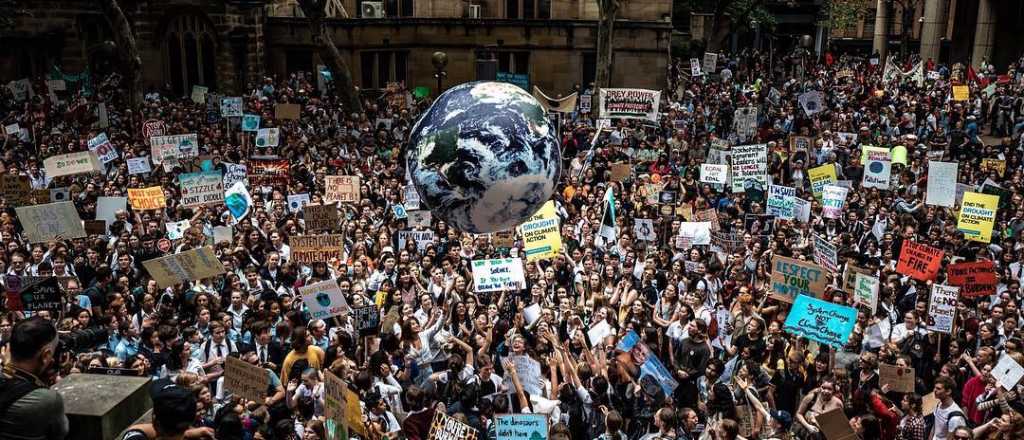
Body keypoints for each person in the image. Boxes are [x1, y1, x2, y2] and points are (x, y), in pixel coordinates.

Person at [0, 317, 68, 440]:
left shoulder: (5, 375)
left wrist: (7, 368)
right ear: (46, 356)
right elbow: (60, 434)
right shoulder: (47, 400)